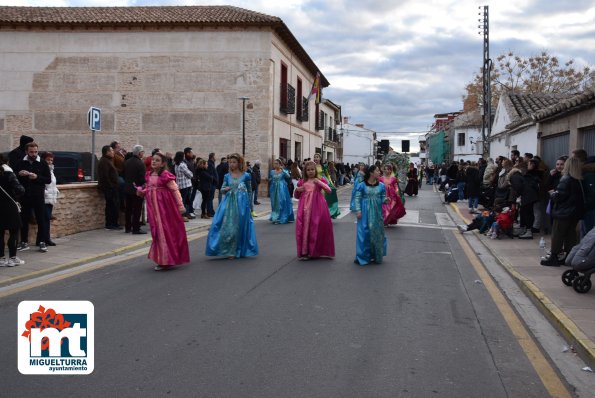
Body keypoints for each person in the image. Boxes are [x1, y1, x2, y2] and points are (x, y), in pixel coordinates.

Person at [136, 152, 189, 271]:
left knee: (165, 233)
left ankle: (167, 259)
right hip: (154, 210)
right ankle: (162, 258)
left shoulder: (165, 175)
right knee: (157, 233)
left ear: (163, 163)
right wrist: (142, 192)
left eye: (157, 160)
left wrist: (180, 206)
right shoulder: (149, 174)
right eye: (153, 160)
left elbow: (175, 190)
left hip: (165, 210)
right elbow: (149, 189)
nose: (154, 162)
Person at [206, 153, 258, 259]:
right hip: (228, 204)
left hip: (242, 205)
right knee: (223, 225)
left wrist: (249, 206)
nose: (232, 164)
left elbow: (249, 191)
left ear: (239, 163)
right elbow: (221, 189)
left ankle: (236, 250)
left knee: (239, 227)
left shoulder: (246, 175)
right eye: (230, 162)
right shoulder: (227, 176)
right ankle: (227, 249)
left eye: (234, 162)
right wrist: (225, 189)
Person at [541, 156, 585, 266]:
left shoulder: (566, 179)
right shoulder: (578, 179)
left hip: (563, 212)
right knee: (570, 235)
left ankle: (554, 257)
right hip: (574, 213)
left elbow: (559, 196)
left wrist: (552, 194)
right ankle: (568, 257)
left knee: (557, 234)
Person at [14, 142, 52, 252]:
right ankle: (24, 242)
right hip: (25, 196)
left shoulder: (42, 163)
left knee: (41, 219)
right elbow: (14, 175)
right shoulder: (21, 162)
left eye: (36, 151)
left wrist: (37, 177)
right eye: (31, 152)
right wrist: (19, 174)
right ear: (26, 152)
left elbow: (48, 179)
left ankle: (41, 241)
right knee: (24, 219)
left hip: (38, 195)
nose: (34, 154)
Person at [293, 161, 335, 260]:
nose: (310, 172)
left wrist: (318, 182)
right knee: (305, 228)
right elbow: (297, 196)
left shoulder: (320, 180)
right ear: (305, 171)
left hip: (318, 207)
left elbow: (329, 191)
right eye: (308, 170)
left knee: (317, 228)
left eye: (312, 169)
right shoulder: (302, 182)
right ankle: (305, 252)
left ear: (315, 170)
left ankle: (317, 251)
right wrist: (297, 190)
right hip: (304, 208)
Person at [354, 165, 388, 265]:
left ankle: (376, 255)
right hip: (365, 212)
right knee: (364, 234)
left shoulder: (381, 185)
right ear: (371, 173)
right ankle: (363, 256)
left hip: (377, 213)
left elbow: (382, 198)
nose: (379, 172)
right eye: (377, 170)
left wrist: (386, 200)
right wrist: (358, 211)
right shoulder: (362, 185)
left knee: (377, 234)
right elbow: (357, 198)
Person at [0, 155, 26, 267]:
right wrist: (16, 197)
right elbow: (20, 189)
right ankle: (12, 258)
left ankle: (1, 259)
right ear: (7, 162)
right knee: (14, 232)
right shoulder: (8, 173)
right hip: (10, 206)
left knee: (0, 234)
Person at [97, 145, 122, 230]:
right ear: (107, 152)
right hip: (109, 188)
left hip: (113, 187)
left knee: (114, 205)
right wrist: (111, 186)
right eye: (111, 151)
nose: (113, 152)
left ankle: (114, 223)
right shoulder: (104, 161)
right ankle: (110, 224)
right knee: (111, 206)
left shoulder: (108, 160)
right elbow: (105, 176)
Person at [123, 145, 146, 234]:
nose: (143, 153)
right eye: (143, 152)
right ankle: (136, 228)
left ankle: (128, 227)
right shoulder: (140, 163)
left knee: (128, 209)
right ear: (140, 153)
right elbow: (142, 178)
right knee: (137, 209)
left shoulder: (127, 161)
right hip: (137, 189)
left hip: (127, 188)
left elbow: (124, 174)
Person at [313, 153, 340, 218]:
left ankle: (326, 212)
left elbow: (327, 175)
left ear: (320, 158)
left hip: (322, 183)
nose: (316, 158)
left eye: (317, 157)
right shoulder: (312, 165)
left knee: (324, 198)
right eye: (315, 157)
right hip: (314, 183)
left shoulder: (323, 166)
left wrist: (331, 183)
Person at [269, 158, 295, 224]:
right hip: (274, 189)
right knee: (274, 203)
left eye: (277, 163)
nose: (275, 165)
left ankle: (281, 217)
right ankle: (275, 217)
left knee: (282, 201)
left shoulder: (283, 171)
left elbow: (288, 176)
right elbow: (271, 179)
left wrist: (283, 170)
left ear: (280, 164)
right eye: (274, 163)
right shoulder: (272, 172)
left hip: (282, 189)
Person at [41, 152, 59, 246]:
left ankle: (45, 239)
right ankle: (44, 239)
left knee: (46, 219)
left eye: (51, 160)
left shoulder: (51, 170)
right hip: (45, 198)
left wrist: (55, 191)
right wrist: (46, 193)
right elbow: (42, 184)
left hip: (50, 198)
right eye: (48, 159)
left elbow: (52, 184)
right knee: (45, 219)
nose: (50, 161)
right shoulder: (41, 169)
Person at [174, 151, 194, 220]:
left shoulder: (176, 164)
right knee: (185, 200)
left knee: (182, 200)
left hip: (180, 184)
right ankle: (183, 215)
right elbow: (190, 174)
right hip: (185, 185)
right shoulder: (182, 165)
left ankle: (185, 214)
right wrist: (191, 173)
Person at [207, 152, 219, 217]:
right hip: (211, 184)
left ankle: (211, 211)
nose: (216, 157)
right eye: (215, 156)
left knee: (211, 198)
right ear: (212, 157)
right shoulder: (210, 164)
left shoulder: (212, 163)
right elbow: (210, 174)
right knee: (210, 198)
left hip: (213, 184)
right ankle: (210, 211)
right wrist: (214, 179)